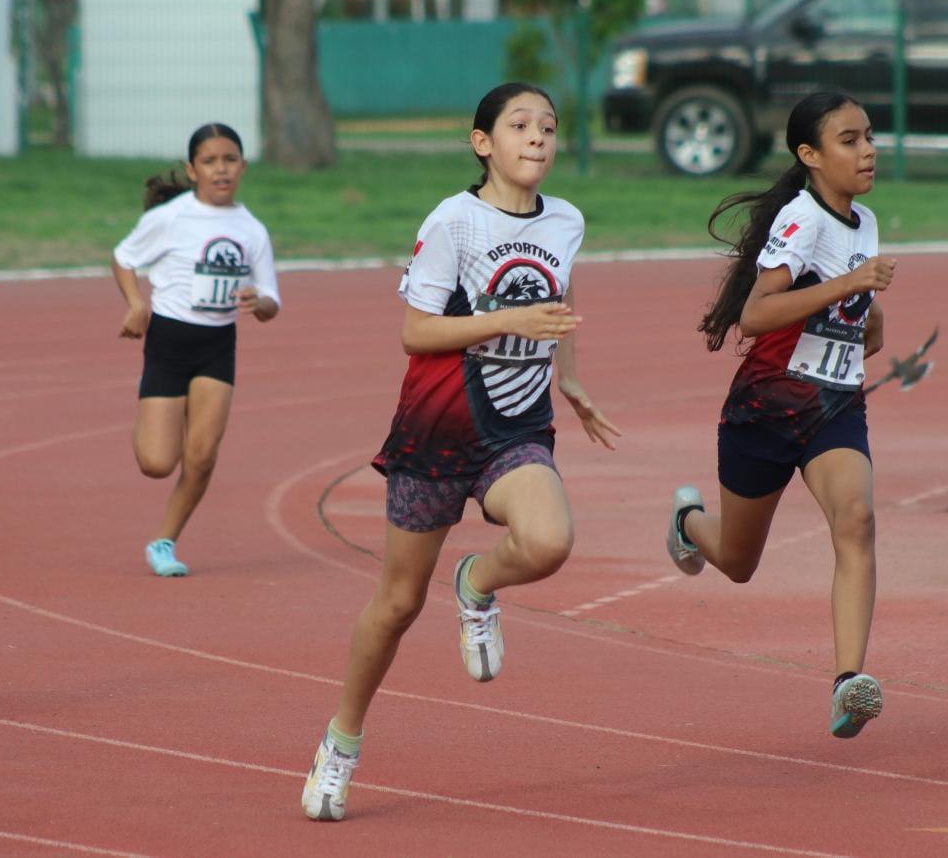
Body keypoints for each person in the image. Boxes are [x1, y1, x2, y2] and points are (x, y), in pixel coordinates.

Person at [301, 82, 621, 821]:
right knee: (397, 602)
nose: (537, 137)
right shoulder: (454, 221)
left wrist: (568, 379)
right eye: (519, 125)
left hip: (516, 429)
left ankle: (476, 582)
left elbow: (558, 298)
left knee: (548, 541)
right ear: (483, 143)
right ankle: (341, 743)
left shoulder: (566, 220)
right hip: (434, 431)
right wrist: (504, 320)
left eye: (548, 126)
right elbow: (416, 332)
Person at [665, 91, 895, 738]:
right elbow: (756, 314)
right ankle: (687, 524)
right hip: (767, 403)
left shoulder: (863, 221)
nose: (867, 149)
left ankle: (848, 684)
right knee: (738, 561)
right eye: (849, 140)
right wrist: (850, 287)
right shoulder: (800, 220)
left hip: (833, 407)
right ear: (809, 155)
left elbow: (859, 327)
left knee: (856, 518)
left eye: (869, 136)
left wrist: (866, 311)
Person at [112, 122, 280, 578]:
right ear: (193, 170)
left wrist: (258, 302)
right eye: (210, 161)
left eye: (229, 160)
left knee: (203, 454)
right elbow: (124, 257)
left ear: (242, 167)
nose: (220, 169)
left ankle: (164, 542)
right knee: (157, 463)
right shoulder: (170, 218)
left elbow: (272, 299)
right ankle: (148, 412)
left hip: (217, 347)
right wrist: (135, 305)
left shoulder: (251, 230)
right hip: (168, 342)